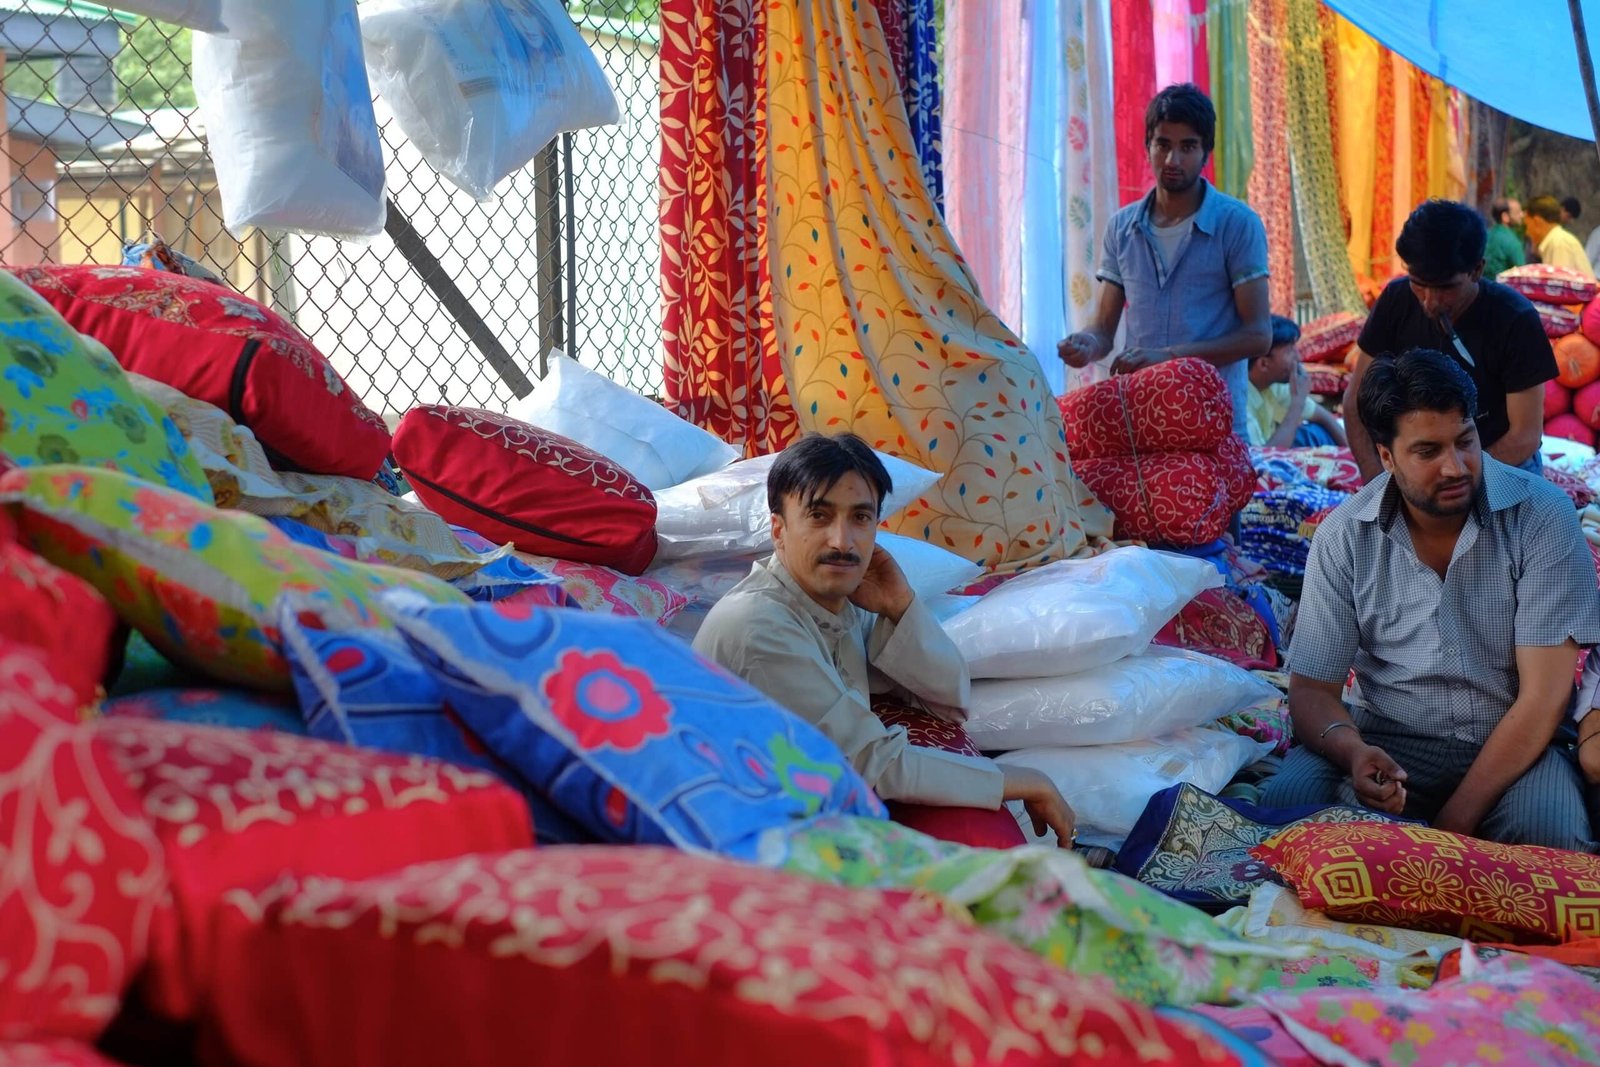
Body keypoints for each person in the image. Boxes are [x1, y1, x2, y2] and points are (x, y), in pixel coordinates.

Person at [1261, 349, 1600, 852]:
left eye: (1465, 441)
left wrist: (1448, 831)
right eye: (1428, 451)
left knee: (1550, 836)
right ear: (1386, 456)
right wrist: (1355, 752)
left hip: (1513, 744)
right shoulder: (1343, 535)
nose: (1455, 466)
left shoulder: (1542, 517)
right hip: (1388, 736)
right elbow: (1312, 689)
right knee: (1284, 808)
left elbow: (1543, 700)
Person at [692, 432, 1078, 845]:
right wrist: (1025, 780)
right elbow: (871, 764)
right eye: (819, 516)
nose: (842, 541)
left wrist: (901, 605)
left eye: (860, 518)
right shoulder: (760, 625)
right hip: (734, 836)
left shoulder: (840, 603)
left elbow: (947, 698)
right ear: (778, 529)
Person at [1057, 83, 1270, 437]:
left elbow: (1259, 336)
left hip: (1213, 426)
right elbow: (1104, 331)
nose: (1173, 160)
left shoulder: (1237, 224)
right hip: (1142, 420)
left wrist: (1169, 357)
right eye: (1163, 145)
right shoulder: (1122, 228)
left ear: (1207, 152)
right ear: (1148, 147)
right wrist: (1085, 344)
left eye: (1187, 147)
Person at [1343, 199, 1556, 483]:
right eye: (1418, 284)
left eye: (1445, 288)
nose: (1429, 302)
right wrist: (1375, 482)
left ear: (1477, 270)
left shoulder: (1515, 319)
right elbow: (1355, 400)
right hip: (1415, 469)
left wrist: (1455, 480)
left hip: (1500, 466)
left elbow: (1525, 436)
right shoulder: (1396, 300)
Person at [1246, 315, 1349, 449]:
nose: (1298, 357)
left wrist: (1354, 458)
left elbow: (1323, 417)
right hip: (1258, 463)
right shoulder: (1240, 402)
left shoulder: (1273, 384)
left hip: (1270, 453)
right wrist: (1298, 402)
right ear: (1264, 364)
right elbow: (1264, 459)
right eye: (1289, 351)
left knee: (1317, 433)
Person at [1525, 195, 1597, 279]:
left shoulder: (1558, 244)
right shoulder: (1555, 241)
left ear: (1537, 222)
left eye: (1527, 225)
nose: (1527, 232)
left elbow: (1560, 287)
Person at [1483, 197, 1525, 279]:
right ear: (1505, 216)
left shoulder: (1485, 235)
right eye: (1517, 212)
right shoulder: (1512, 241)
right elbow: (1521, 273)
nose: (1522, 214)